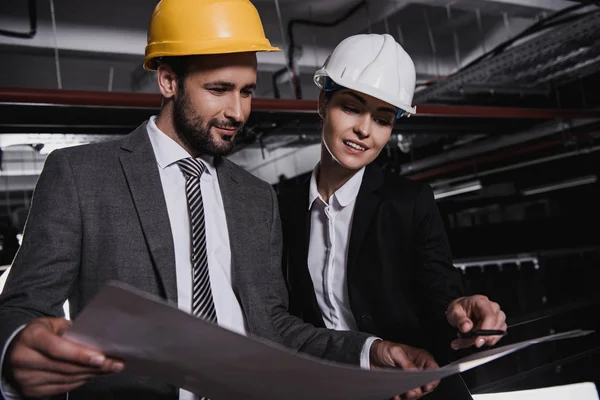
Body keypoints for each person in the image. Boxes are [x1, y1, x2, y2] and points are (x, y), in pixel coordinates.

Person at [0, 3, 442, 400]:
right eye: (219, 89)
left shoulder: (255, 199)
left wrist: (373, 350)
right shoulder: (81, 175)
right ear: (169, 80)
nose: (238, 111)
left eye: (247, 91)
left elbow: (275, 327)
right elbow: (22, 305)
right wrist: (15, 346)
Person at [278, 33, 508, 399]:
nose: (364, 131)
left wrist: (458, 309)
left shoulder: (410, 202)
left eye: (382, 119)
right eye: (352, 108)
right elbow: (284, 321)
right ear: (323, 102)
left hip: (417, 389)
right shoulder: (281, 208)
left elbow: (440, 291)